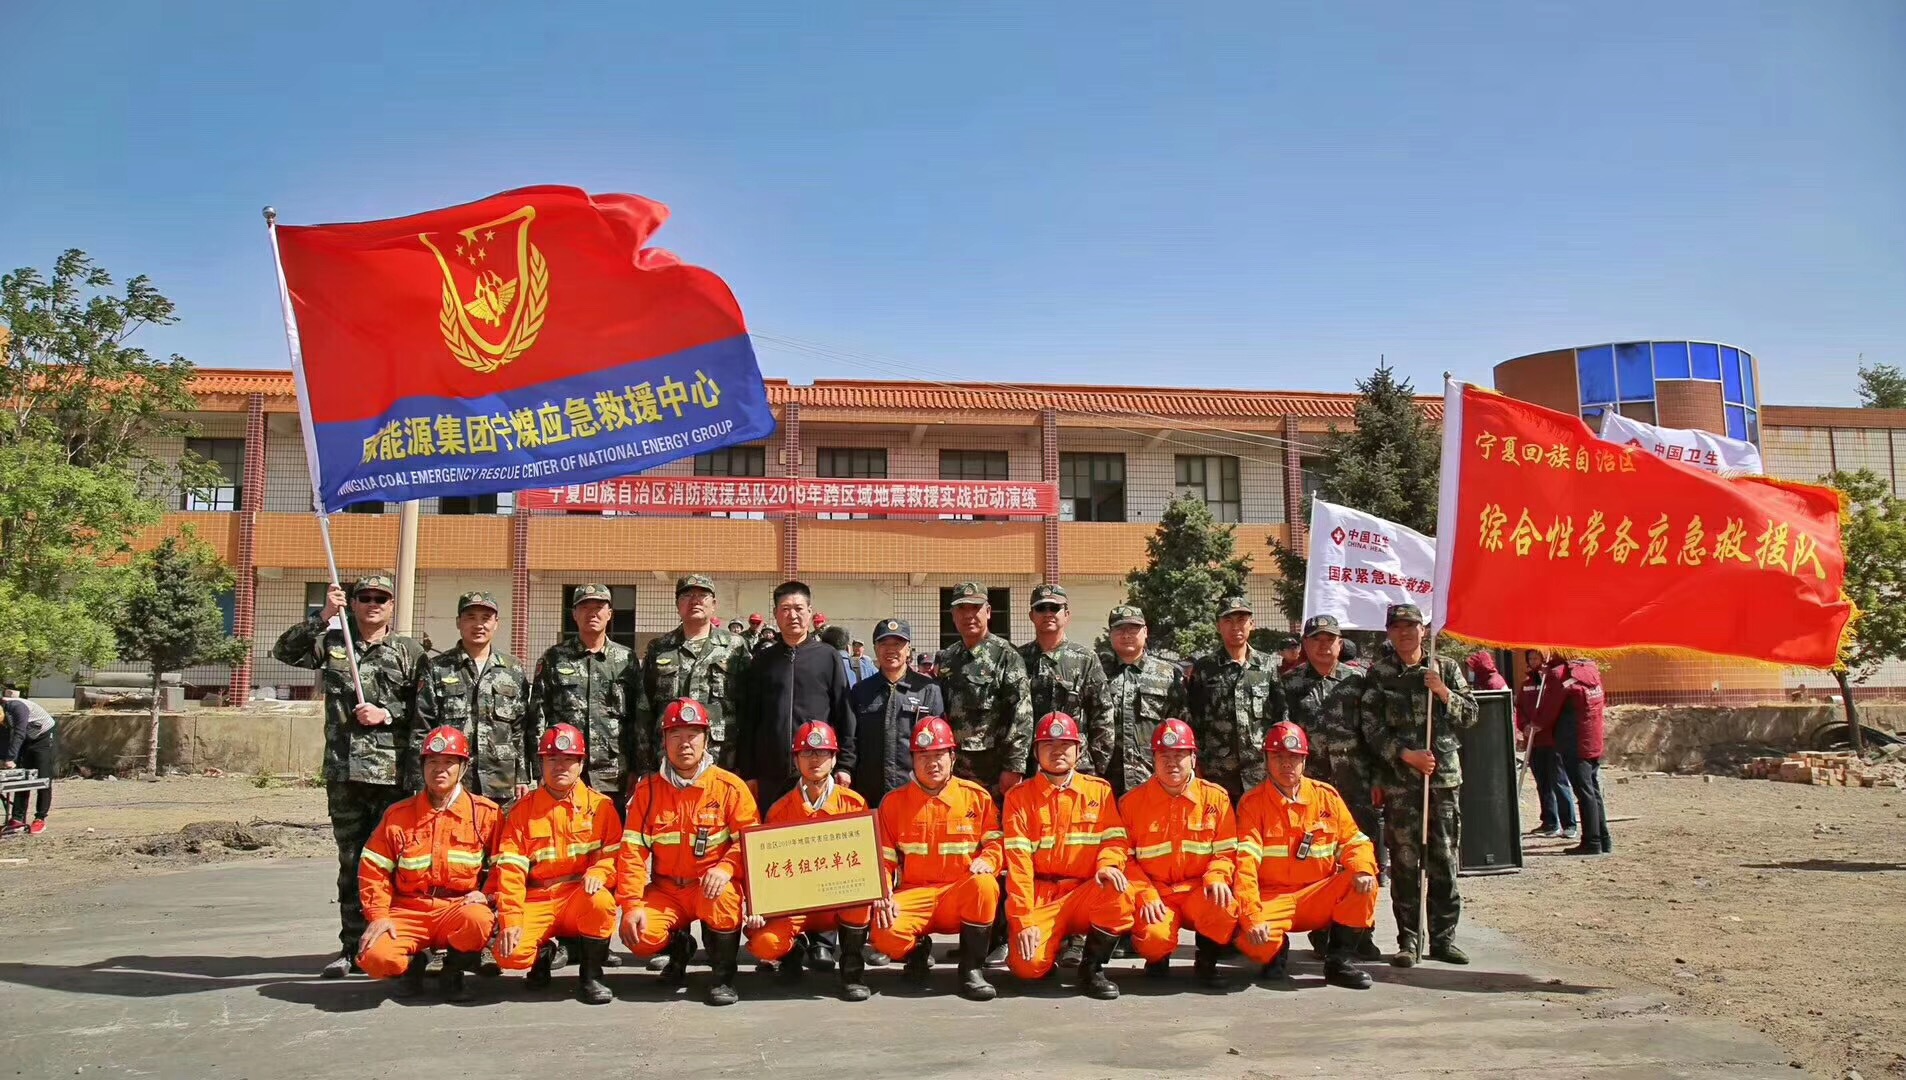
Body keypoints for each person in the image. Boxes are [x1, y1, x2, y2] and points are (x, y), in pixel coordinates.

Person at [272, 572, 429, 978]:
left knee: (398, 863)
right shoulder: (333, 643)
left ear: (392, 605)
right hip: (346, 773)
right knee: (353, 863)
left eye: (381, 598)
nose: (373, 604)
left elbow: (425, 708)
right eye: (365, 597)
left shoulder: (410, 652)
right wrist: (323, 614)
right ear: (354, 603)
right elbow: (284, 652)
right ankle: (353, 946)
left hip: (393, 775)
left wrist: (386, 714)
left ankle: (398, 941)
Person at [617, 698, 760, 1007]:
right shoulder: (647, 790)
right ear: (664, 740)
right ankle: (679, 947)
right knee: (639, 935)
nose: (685, 743)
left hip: (709, 887)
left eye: (693, 735)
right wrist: (630, 904)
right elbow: (631, 852)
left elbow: (750, 843)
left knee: (724, 901)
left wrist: (725, 868)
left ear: (706, 739)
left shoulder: (730, 788)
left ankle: (722, 976)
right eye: (676, 735)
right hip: (666, 890)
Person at [1360, 603, 1477, 967]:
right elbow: (1371, 728)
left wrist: (1442, 691)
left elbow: (1471, 715)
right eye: (1397, 627)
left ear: (1424, 630)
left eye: (1411, 626)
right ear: (1389, 633)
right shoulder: (1379, 674)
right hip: (1401, 783)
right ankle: (1409, 940)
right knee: (1405, 862)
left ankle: (1443, 938)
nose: (1405, 633)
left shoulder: (1446, 668)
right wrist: (1405, 755)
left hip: (1442, 781)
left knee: (1443, 859)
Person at [356, 726, 503, 1001]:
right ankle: (412, 965)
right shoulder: (398, 815)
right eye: (432, 762)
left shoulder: (486, 814)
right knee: (375, 959)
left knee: (480, 921)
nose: (440, 769)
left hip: (458, 907)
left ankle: (453, 971)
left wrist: (487, 895)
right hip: (409, 909)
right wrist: (378, 916)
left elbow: (502, 865)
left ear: (463, 768)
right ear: (422, 766)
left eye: (449, 762)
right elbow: (373, 870)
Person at [1234, 721, 1378, 990]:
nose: (1286, 764)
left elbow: (1354, 841)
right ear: (1266, 760)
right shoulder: (1253, 804)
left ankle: (1339, 963)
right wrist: (1252, 916)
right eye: (1278, 757)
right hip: (1273, 898)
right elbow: (1245, 866)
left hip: (1318, 895)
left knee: (1364, 883)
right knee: (1249, 939)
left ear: (1304, 760)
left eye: (1293, 757)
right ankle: (1276, 951)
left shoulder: (1326, 797)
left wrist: (1362, 868)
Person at [1001, 712, 1135, 999]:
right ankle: (1050, 948)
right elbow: (1019, 866)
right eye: (1048, 745)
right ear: (1036, 752)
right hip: (1041, 894)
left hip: (1084, 890)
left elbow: (1115, 840)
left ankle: (1092, 969)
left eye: (1065, 744)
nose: (1057, 751)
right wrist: (1023, 921)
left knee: (1119, 889)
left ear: (1078, 750)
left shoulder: (1099, 791)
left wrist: (1109, 865)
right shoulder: (1019, 797)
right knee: (1027, 967)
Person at [871, 716, 1003, 1002]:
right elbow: (884, 859)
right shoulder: (894, 803)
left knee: (985, 885)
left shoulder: (976, 797)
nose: (932, 763)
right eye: (923, 757)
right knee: (883, 931)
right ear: (912, 760)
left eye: (938, 755)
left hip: (958, 893)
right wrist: (883, 892)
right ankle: (917, 951)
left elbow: (996, 842)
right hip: (914, 894)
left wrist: (989, 861)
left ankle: (971, 969)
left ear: (952, 758)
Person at [936, 580, 1033, 965]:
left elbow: (1021, 714)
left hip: (994, 774)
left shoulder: (1007, 655)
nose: (969, 615)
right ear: (953, 615)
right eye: (961, 608)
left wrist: (1013, 766)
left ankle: (1000, 936)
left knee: (999, 852)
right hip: (957, 777)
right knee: (965, 851)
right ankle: (973, 933)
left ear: (989, 612)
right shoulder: (947, 657)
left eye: (975, 608)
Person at [491, 724, 622, 1005]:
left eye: (568, 759)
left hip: (578, 896)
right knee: (508, 955)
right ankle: (542, 955)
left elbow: (614, 856)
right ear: (541, 763)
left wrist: (599, 871)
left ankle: (591, 976)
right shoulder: (522, 812)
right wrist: (510, 920)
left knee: (601, 902)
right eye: (552, 759)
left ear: (581, 764)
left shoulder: (601, 807)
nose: (559, 766)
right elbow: (511, 871)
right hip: (538, 898)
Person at [744, 721, 874, 1001]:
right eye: (807, 753)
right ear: (796, 760)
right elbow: (766, 869)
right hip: (795, 905)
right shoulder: (779, 811)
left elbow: (865, 863)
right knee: (764, 944)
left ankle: (851, 973)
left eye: (823, 753)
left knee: (861, 901)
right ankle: (792, 954)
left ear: (835, 759)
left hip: (837, 899)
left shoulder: (854, 805)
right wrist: (759, 906)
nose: (815, 760)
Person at [1279, 614, 1383, 961]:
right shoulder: (1291, 684)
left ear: (1340, 643)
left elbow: (1374, 733)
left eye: (1330, 639)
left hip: (1355, 785)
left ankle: (1361, 932)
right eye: (1317, 639)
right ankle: (1323, 932)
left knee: (1362, 858)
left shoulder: (1359, 680)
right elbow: (1283, 737)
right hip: (1312, 792)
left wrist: (1378, 778)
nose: (1324, 646)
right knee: (1318, 862)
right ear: (1305, 644)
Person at [1118, 718, 1238, 985]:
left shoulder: (1216, 798)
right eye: (1164, 756)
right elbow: (1124, 859)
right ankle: (1157, 957)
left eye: (1179, 755)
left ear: (1193, 758)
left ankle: (1207, 959)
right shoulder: (1132, 803)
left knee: (1225, 905)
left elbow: (1226, 851)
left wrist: (1217, 877)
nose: (1172, 763)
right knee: (1154, 939)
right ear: (1153, 759)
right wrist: (1145, 893)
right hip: (1158, 893)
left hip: (1199, 889)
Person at [738, 580, 856, 819]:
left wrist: (845, 765)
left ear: (810, 612)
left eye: (799, 608)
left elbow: (844, 714)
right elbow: (750, 718)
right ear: (775, 614)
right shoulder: (763, 660)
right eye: (785, 609)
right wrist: (749, 772)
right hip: (770, 773)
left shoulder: (828, 657)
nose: (792, 615)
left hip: (817, 772)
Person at [413, 592, 533, 804]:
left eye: (486, 618)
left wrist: (522, 776)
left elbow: (520, 728)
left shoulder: (512, 668)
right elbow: (423, 725)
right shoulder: (438, 667)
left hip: (500, 780)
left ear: (496, 623)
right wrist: (419, 779)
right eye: (471, 617)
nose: (478, 625)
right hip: (451, 778)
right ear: (458, 622)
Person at [630, 575, 753, 777]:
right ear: (677, 604)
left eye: (703, 595)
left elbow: (749, 709)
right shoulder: (659, 648)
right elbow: (644, 711)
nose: (695, 600)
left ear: (714, 605)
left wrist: (747, 767)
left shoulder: (735, 647)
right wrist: (645, 767)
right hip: (668, 760)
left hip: (722, 760)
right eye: (687, 595)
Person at [528, 584, 633, 798]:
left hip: (613, 773)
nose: (592, 613)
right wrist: (540, 770)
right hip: (564, 770)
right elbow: (537, 717)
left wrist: (637, 769)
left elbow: (637, 718)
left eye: (598, 607)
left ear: (609, 614)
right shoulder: (553, 658)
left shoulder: (626, 660)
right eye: (585, 607)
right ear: (574, 614)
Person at [1188, 596, 1283, 806]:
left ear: (1252, 624)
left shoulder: (1267, 665)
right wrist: (1198, 762)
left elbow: (1280, 715)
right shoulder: (1205, 668)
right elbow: (1193, 717)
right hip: (1218, 771)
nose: (1235, 627)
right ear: (1218, 626)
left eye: (1241, 620)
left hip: (1260, 769)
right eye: (1228, 621)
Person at [847, 618, 946, 805]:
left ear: (908, 649)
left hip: (915, 790)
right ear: (875, 648)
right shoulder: (861, 691)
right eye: (884, 644)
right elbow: (851, 738)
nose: (890, 649)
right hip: (869, 793)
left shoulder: (928, 689)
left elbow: (939, 745)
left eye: (897, 644)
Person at [1018, 583, 1113, 777]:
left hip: (1077, 767)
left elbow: (1103, 715)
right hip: (1028, 768)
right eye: (1041, 608)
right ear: (1031, 615)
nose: (1048, 613)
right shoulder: (1017, 658)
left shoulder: (1085, 659)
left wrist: (1097, 766)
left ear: (1067, 614)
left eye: (1055, 608)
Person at [1098, 605, 1188, 799]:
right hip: (1105, 780)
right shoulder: (1097, 673)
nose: (1126, 635)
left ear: (1145, 631)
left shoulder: (1167, 674)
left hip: (1154, 779)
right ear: (1111, 634)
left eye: (1133, 629)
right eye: (1120, 629)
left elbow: (1182, 726)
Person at [1516, 651, 1576, 839]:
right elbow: (1520, 709)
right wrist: (1525, 726)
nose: (1533, 662)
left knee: (1559, 782)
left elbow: (1554, 708)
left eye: (1536, 658)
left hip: (1552, 740)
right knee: (1542, 783)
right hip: (1534, 742)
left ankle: (1569, 824)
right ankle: (1549, 822)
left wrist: (1542, 724)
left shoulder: (1551, 682)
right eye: (1530, 659)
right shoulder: (1526, 684)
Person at [1555, 658, 1611, 856]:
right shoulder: (1594, 680)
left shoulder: (1570, 685)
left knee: (1585, 793)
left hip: (1577, 743)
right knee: (1593, 790)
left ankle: (1592, 841)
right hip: (1593, 742)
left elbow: (1551, 709)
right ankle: (1603, 838)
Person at [1, 686, 57, 836]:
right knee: (22, 776)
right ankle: (17, 818)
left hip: (42, 736)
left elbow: (19, 733)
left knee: (43, 777)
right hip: (26, 736)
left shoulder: (17, 707)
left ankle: (40, 818)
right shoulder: (4, 714)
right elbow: (4, 738)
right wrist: (3, 759)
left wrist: (10, 759)